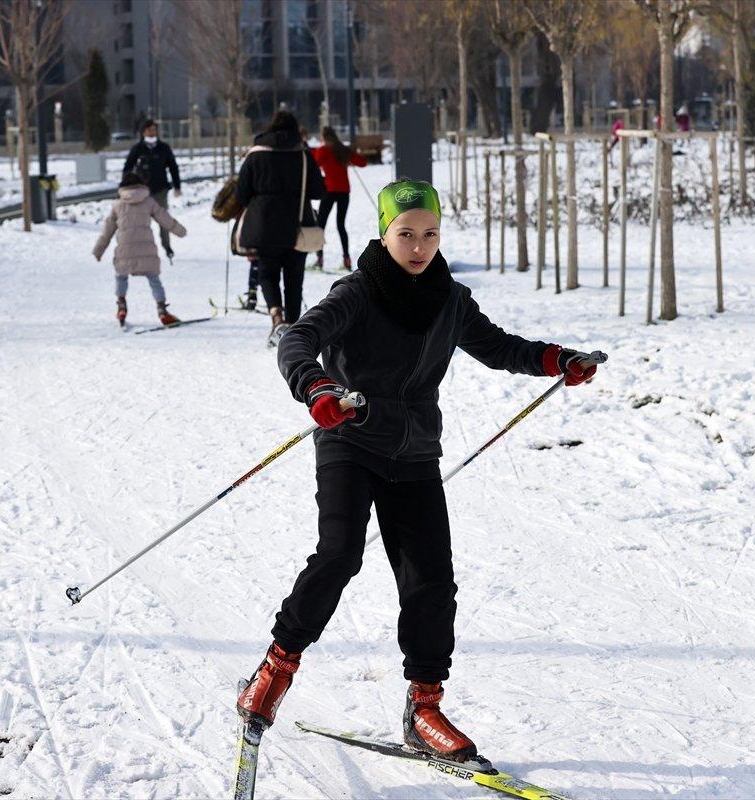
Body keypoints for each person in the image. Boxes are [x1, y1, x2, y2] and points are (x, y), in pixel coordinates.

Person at [235, 179, 603, 761]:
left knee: (431, 579)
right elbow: (298, 339)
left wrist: (557, 359)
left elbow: (499, 347)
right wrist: (317, 387)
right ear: (384, 233)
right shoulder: (357, 291)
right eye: (406, 233)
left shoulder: (449, 299)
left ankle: (423, 707)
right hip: (350, 439)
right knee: (339, 555)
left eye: (430, 234)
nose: (418, 246)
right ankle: (276, 667)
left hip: (413, 454)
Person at [234, 110, 325, 342]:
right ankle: (293, 327)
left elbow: (241, 194)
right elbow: (318, 190)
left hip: (263, 226)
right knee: (294, 278)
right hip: (297, 224)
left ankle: (276, 317)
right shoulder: (303, 154)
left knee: (267, 273)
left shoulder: (255, 154)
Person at [93, 171, 187, 327]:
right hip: (146, 249)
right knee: (154, 279)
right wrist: (180, 231)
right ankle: (162, 310)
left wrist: (99, 250)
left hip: (125, 248)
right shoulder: (148, 201)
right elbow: (165, 218)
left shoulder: (117, 205)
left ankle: (121, 305)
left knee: (121, 276)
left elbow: (107, 230)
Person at [123, 120, 182, 266]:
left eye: (154, 130)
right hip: (142, 192)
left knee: (163, 220)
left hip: (160, 190)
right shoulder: (138, 149)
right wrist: (126, 187)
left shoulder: (163, 148)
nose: (152, 132)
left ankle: (167, 247)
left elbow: (173, 167)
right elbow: (127, 168)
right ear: (143, 132)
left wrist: (177, 186)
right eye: (149, 130)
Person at [311, 126, 368, 271]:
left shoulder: (323, 150)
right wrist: (350, 156)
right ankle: (347, 259)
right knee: (341, 225)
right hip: (344, 191)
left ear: (324, 137)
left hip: (329, 191)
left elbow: (314, 162)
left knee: (321, 225)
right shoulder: (342, 150)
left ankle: (320, 259)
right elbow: (363, 163)